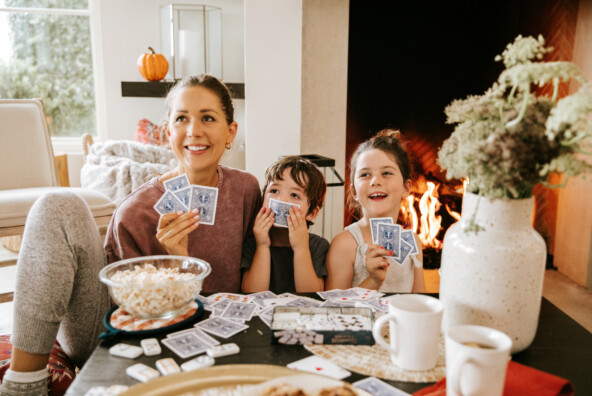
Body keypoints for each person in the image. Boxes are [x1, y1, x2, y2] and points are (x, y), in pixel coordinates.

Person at [0, 75, 261, 396]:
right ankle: (22, 385)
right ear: (168, 133)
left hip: (219, 333)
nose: (194, 131)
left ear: (230, 131)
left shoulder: (246, 189)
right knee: (58, 204)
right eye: (182, 119)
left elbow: (256, 276)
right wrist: (175, 264)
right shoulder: (137, 210)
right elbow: (130, 318)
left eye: (208, 118)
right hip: (125, 330)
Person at [325, 129, 426, 293]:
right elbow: (335, 308)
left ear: (406, 188)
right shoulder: (345, 244)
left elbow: (419, 301)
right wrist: (373, 280)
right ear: (355, 192)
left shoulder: (412, 242)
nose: (375, 181)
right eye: (365, 174)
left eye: (386, 173)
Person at [241, 156, 328, 294]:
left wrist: (301, 248)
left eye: (294, 195)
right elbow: (252, 294)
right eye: (274, 191)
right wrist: (262, 246)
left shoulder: (318, 245)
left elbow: (312, 295)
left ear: (312, 213)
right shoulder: (252, 243)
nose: (280, 200)